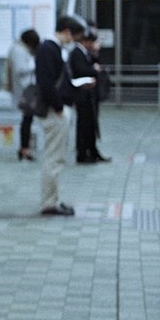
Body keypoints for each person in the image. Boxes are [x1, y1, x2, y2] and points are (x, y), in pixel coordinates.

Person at [35, 14, 87, 216]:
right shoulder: (49, 49)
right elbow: (47, 84)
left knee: (55, 157)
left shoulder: (50, 49)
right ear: (66, 32)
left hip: (55, 109)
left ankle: (52, 199)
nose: (72, 42)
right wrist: (58, 107)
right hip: (54, 111)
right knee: (54, 158)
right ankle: (49, 202)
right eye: (73, 37)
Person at [68, 29, 111, 163]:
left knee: (91, 124)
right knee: (83, 124)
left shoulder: (85, 52)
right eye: (92, 42)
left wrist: (95, 53)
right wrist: (93, 70)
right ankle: (82, 153)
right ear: (86, 41)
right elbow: (81, 69)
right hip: (82, 94)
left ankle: (92, 151)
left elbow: (94, 62)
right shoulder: (76, 52)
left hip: (90, 94)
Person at [8, 28, 40, 161]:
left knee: (27, 119)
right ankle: (24, 148)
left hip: (26, 89)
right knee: (27, 119)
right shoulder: (19, 50)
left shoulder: (18, 48)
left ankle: (24, 148)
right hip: (25, 90)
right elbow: (20, 69)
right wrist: (34, 65)